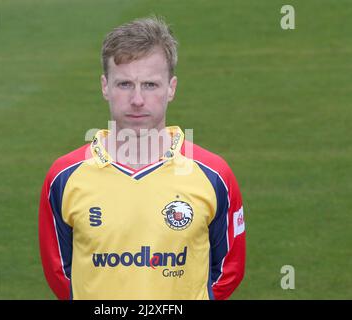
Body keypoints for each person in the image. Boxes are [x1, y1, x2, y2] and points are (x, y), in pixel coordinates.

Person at [39, 16, 245, 300]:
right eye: (124, 84)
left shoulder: (213, 174)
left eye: (150, 85)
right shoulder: (64, 177)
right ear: (104, 86)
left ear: (171, 88)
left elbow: (227, 269)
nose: (137, 99)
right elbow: (60, 273)